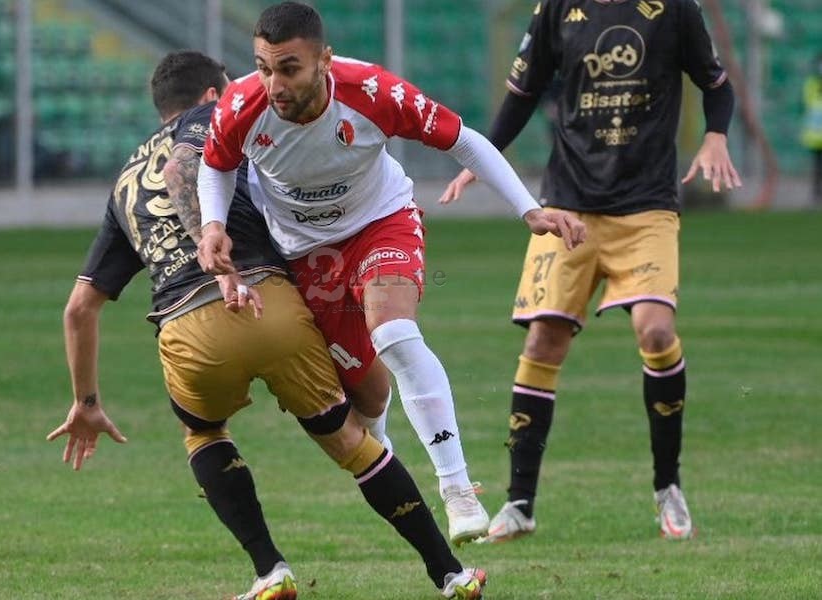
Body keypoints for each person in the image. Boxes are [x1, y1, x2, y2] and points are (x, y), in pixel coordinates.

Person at [46, 50, 487, 600]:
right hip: (266, 303)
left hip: (187, 331)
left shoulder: (124, 184)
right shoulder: (218, 115)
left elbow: (79, 307)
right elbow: (184, 166)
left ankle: (269, 570)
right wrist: (223, 266)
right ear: (213, 95)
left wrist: (86, 402)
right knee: (354, 444)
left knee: (204, 433)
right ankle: (450, 574)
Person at [195, 1, 586, 547]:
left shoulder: (373, 93)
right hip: (306, 254)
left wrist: (529, 209)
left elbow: (463, 139)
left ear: (324, 61)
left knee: (394, 332)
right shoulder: (242, 104)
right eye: (263, 67)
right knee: (368, 399)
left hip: (381, 222)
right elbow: (215, 166)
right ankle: (387, 465)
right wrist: (213, 226)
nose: (274, 84)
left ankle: (457, 488)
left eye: (288, 68)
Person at [440, 0, 742, 543]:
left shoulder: (675, 8)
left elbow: (717, 85)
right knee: (543, 341)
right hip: (569, 205)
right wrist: (482, 158)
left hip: (646, 206)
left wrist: (716, 135)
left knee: (656, 331)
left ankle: (668, 487)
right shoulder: (557, 8)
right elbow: (524, 92)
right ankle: (520, 503)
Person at [800, 53, 822, 205]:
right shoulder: (811, 84)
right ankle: (816, 195)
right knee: (817, 168)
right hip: (815, 136)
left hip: (815, 134)